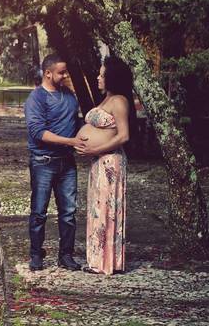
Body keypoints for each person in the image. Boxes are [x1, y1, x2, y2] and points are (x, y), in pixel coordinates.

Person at [24, 54, 85, 271]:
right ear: (47, 73)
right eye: (61, 72)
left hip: (67, 163)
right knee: (39, 211)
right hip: (43, 162)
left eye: (65, 71)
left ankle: (66, 255)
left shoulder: (69, 96)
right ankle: (36, 255)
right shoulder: (36, 99)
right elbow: (38, 132)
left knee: (68, 212)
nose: (65, 75)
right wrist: (70, 141)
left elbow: (76, 123)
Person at [76, 56, 135, 275]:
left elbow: (124, 136)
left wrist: (95, 149)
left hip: (110, 162)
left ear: (112, 78)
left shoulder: (119, 101)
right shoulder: (106, 99)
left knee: (106, 209)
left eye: (102, 75)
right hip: (98, 162)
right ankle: (97, 260)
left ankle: (106, 263)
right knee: (97, 208)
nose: (98, 78)